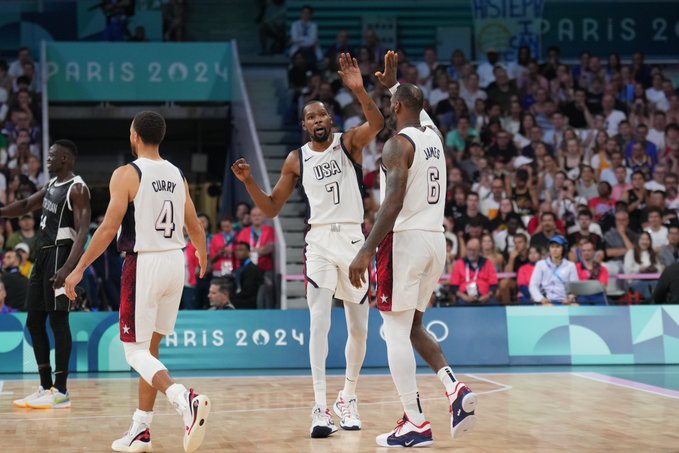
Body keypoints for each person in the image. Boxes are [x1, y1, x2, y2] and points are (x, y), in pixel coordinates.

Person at [232, 53, 384, 437]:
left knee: (359, 329)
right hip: (318, 242)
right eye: (310, 117)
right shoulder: (295, 159)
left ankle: (348, 396)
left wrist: (359, 90)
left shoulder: (348, 143)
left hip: (353, 240)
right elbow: (270, 208)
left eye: (322, 115)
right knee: (319, 323)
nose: (317, 120)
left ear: (330, 120)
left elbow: (378, 124)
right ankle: (319, 407)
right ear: (303, 125)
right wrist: (249, 182)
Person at [348, 51, 476, 448]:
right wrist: (394, 85)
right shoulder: (434, 137)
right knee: (414, 326)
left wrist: (366, 249)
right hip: (435, 241)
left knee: (393, 333)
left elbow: (393, 203)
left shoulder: (396, 146)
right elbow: (416, 108)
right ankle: (453, 387)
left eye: (392, 101)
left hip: (404, 241)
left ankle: (415, 422)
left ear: (396, 107)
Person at [63, 112, 210, 453]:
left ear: (134, 135)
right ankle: (141, 429)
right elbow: (194, 224)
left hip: (144, 263)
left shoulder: (127, 173)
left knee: (133, 351)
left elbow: (108, 228)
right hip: (175, 262)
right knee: (150, 351)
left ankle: (183, 399)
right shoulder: (177, 173)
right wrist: (202, 255)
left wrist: (79, 267)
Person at [2, 140, 91, 409]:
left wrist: (67, 268)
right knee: (34, 321)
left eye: (52, 155)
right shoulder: (52, 184)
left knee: (58, 321)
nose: (47, 159)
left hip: (60, 254)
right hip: (42, 256)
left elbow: (83, 231)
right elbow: (25, 204)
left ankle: (61, 390)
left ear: (65, 158)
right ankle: (44, 386)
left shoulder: (78, 188)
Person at [529, 235, 578, 305]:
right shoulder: (540, 264)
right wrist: (541, 299)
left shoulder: (570, 266)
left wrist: (570, 299)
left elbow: (574, 288)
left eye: (558, 247)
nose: (554, 250)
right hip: (546, 301)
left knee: (575, 306)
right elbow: (533, 285)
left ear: (563, 249)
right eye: (552, 247)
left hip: (565, 301)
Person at [450, 238, 499, 305]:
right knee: (460, 303)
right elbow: (454, 287)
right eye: (469, 250)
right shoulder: (459, 263)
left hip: (484, 297)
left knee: (494, 303)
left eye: (474, 250)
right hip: (465, 297)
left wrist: (487, 296)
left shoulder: (487, 263)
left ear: (479, 250)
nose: (471, 253)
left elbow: (494, 285)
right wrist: (464, 297)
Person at [623, 232, 663, 303]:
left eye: (647, 239)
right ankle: (649, 302)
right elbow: (627, 270)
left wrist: (654, 268)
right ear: (638, 240)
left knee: (658, 285)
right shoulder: (631, 253)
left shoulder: (652, 253)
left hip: (653, 280)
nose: (645, 242)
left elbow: (659, 268)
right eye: (642, 239)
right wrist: (639, 269)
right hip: (636, 281)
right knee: (645, 286)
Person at [231, 242, 263, 309]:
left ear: (248, 252)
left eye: (241, 250)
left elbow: (248, 291)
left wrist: (233, 297)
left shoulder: (252, 269)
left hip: (249, 302)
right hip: (242, 298)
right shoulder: (241, 268)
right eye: (236, 250)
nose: (237, 252)